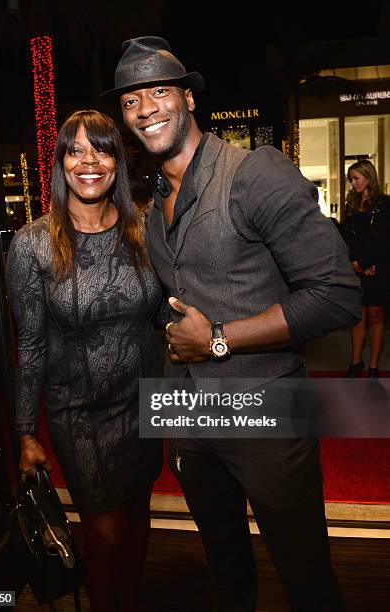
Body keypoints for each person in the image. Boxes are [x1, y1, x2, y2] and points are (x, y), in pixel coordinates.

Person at [101, 37, 362, 611]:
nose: (145, 109)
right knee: (224, 562)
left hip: (267, 408)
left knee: (305, 575)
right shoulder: (155, 199)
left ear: (189, 99)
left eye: (159, 92)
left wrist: (217, 339)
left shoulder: (254, 173)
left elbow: (339, 295)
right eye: (131, 101)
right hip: (190, 417)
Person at [6, 109, 164, 612]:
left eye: (101, 149)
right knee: (107, 534)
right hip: (80, 415)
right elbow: (29, 343)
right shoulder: (33, 244)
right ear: (60, 164)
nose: (88, 161)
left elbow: (163, 311)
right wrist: (26, 433)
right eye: (75, 150)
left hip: (144, 403)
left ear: (118, 160)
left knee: (139, 518)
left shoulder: (143, 228)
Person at [341, 160, 390, 378]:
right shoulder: (350, 204)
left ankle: (373, 366)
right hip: (355, 268)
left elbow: (385, 240)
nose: (353, 183)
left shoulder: (385, 204)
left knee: (376, 315)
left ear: (368, 177)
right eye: (351, 179)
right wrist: (354, 264)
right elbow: (345, 238)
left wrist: (368, 264)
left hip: (378, 268)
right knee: (357, 316)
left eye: (356, 178)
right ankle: (355, 363)